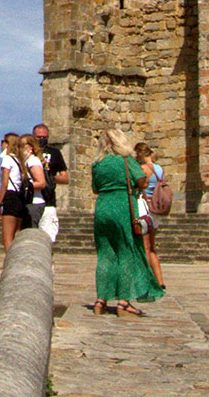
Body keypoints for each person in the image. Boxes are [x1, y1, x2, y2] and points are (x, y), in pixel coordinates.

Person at [91, 129, 164, 317]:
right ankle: (124, 302)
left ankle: (101, 301)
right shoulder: (126, 161)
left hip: (102, 209)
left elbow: (95, 189)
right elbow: (142, 182)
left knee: (105, 254)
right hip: (123, 206)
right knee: (126, 251)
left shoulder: (97, 164)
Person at [133, 141, 165, 288]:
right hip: (156, 208)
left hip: (144, 206)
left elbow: (138, 185)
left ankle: (145, 280)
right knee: (152, 247)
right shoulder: (159, 169)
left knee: (144, 246)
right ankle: (160, 281)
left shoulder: (143, 169)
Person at [0, 133, 29, 249]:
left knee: (7, 237)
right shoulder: (21, 160)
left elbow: (5, 182)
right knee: (16, 234)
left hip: (10, 196)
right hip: (20, 197)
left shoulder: (7, 159)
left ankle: (10, 262)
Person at [33, 122, 69, 210]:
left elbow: (65, 178)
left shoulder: (54, 152)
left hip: (49, 199)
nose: (41, 139)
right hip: (31, 199)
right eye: (39, 137)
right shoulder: (29, 152)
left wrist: (51, 178)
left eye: (44, 137)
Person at [22, 134, 50, 228]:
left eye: (22, 145)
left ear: (30, 147)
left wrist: (25, 186)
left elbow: (41, 183)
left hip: (34, 202)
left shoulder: (33, 161)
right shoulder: (26, 161)